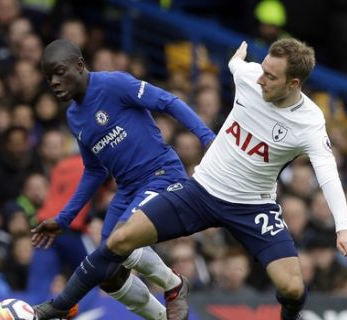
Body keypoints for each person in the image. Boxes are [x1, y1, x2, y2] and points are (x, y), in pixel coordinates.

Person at [32, 38, 347, 320]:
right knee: (118, 243)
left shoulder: (309, 123)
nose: (261, 79)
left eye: (271, 77)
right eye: (262, 70)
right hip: (201, 191)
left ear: (293, 84)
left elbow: (327, 173)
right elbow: (239, 66)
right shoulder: (249, 76)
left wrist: (343, 227)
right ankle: (58, 307)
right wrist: (237, 61)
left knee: (292, 288)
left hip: (252, 207)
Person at [32, 39, 215, 320]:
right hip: (128, 189)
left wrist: (207, 138)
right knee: (108, 273)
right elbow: (95, 170)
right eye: (48, 77)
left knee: (121, 240)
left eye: (59, 72)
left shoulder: (113, 84)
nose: (54, 82)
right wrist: (65, 217)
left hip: (160, 175)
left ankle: (174, 284)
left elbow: (168, 102)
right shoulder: (74, 117)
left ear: (79, 65)